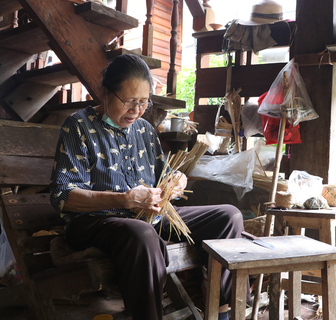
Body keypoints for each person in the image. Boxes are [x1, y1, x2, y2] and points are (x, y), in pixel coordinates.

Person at [50, 54, 246, 320]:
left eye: (143, 102)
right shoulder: (79, 126)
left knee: (229, 216)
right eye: (129, 101)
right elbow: (63, 196)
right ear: (105, 93)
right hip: (96, 222)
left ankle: (221, 311)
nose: (137, 110)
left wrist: (177, 181)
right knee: (142, 234)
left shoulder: (144, 129)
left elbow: (163, 172)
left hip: (148, 217)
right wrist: (124, 200)